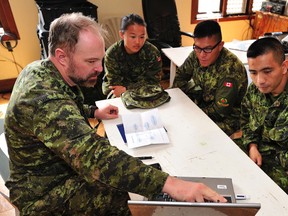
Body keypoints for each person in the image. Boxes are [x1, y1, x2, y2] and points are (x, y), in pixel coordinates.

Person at [4, 13, 226, 215]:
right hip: (44, 192)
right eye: (91, 61)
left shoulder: (41, 69)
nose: (100, 69)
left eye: (99, 59)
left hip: (56, 171)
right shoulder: (41, 96)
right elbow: (93, 156)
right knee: (126, 197)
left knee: (132, 175)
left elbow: (64, 107)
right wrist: (173, 185)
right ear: (62, 56)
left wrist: (93, 110)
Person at [173, 20, 248, 137]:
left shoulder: (230, 70)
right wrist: (182, 103)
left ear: (220, 46)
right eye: (197, 47)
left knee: (189, 132)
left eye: (208, 49)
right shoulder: (196, 54)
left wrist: (191, 113)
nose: (202, 55)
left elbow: (220, 112)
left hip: (227, 120)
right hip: (203, 105)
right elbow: (180, 77)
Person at [241, 37, 288, 193]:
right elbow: (246, 119)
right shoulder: (256, 89)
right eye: (253, 73)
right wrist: (252, 145)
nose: (259, 80)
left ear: (284, 66)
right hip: (256, 153)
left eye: (267, 71)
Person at [102, 13, 162, 98]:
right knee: (115, 96)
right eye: (133, 37)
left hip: (141, 89)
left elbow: (153, 82)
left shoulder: (152, 52)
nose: (138, 42)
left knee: (156, 93)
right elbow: (116, 86)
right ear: (122, 35)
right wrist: (127, 89)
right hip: (121, 90)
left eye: (142, 37)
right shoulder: (112, 54)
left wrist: (127, 88)